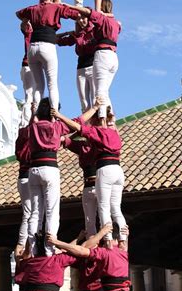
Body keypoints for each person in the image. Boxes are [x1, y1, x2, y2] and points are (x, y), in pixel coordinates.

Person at [51, 98, 127, 242]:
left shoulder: (96, 135)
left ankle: (108, 240)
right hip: (115, 171)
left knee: (101, 211)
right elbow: (67, 139)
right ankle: (123, 238)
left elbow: (76, 130)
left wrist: (61, 117)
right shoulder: (114, 133)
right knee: (115, 209)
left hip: (102, 174)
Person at [48, 222, 132, 291]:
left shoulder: (103, 254)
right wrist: (79, 239)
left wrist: (122, 236)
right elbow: (74, 250)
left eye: (95, 240)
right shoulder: (83, 260)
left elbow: (84, 247)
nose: (92, 242)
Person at [16, 0, 79, 109]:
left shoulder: (32, 9)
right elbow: (75, 14)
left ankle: (36, 115)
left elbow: (18, 14)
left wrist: (25, 21)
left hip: (32, 48)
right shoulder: (55, 7)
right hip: (47, 47)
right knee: (52, 84)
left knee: (39, 86)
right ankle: (54, 115)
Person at [25, 98, 71, 255]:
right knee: (51, 210)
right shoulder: (57, 127)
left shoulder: (33, 127)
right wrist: (58, 116)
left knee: (35, 212)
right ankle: (48, 248)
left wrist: (33, 113)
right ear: (54, 113)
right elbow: (77, 123)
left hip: (33, 170)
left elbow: (33, 123)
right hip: (50, 168)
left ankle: (33, 247)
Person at [56, 14, 96, 111]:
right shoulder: (77, 34)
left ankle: (99, 124)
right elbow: (56, 39)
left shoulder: (95, 31)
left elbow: (85, 45)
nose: (81, 21)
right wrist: (67, 33)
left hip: (93, 67)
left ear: (88, 18)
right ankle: (86, 125)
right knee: (84, 102)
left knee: (95, 99)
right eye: (78, 19)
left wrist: (76, 37)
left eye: (83, 18)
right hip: (80, 69)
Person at [14, 124, 31, 256]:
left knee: (29, 212)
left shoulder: (20, 141)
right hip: (28, 177)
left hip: (23, 177)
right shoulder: (31, 141)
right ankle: (23, 243)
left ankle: (22, 242)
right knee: (30, 212)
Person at [19, 20, 34, 126]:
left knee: (31, 96)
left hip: (28, 65)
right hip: (29, 65)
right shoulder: (31, 31)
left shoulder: (32, 31)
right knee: (30, 97)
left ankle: (28, 122)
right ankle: (26, 123)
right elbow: (23, 26)